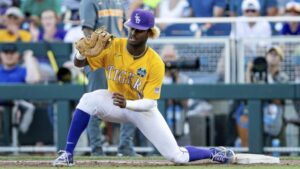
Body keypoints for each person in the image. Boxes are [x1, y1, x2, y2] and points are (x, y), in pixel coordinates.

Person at [53, 8, 235, 167]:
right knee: (87, 99)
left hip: (140, 108)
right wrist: (80, 51)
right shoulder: (114, 45)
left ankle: (213, 153)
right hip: (114, 101)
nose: (132, 33)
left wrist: (128, 104)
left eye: (139, 30)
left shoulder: (155, 62)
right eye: (131, 27)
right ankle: (68, 154)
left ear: (149, 32)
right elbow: (79, 64)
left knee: (177, 157)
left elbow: (149, 103)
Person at [79, 0, 138, 156]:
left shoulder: (118, 2)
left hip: (119, 58)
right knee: (94, 103)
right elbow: (87, 32)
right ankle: (96, 149)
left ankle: (125, 146)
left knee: (131, 100)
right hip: (99, 59)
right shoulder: (89, 2)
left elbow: (125, 30)